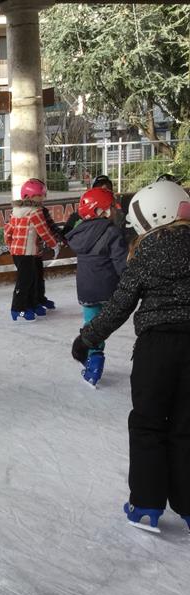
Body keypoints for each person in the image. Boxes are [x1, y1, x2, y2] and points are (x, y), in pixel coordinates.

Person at [71, 180, 190, 533]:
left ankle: (146, 506)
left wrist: (86, 339)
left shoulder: (146, 251)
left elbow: (120, 304)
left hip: (158, 349)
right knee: (187, 427)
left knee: (148, 425)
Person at [65, 186, 127, 386]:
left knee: (92, 325)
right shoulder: (112, 232)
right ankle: (95, 362)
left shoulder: (80, 233)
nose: (114, 211)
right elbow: (121, 262)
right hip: (108, 289)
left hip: (86, 290)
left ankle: (92, 361)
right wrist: (130, 280)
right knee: (103, 324)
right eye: (111, 208)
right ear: (101, 211)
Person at [4, 178, 63, 321]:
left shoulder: (17, 211)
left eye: (43, 195)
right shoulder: (35, 212)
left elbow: (8, 231)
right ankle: (17, 309)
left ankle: (31, 304)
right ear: (28, 196)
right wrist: (54, 244)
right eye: (39, 195)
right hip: (26, 253)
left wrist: (10, 245)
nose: (42, 198)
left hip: (23, 252)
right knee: (25, 281)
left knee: (32, 278)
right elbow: (44, 231)